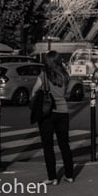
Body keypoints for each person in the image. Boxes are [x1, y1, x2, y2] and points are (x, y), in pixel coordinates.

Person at [31, 51, 75, 185]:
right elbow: (65, 92)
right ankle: (69, 175)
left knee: (48, 146)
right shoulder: (65, 75)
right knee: (64, 145)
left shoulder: (43, 75)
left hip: (47, 113)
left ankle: (52, 177)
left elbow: (33, 91)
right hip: (63, 112)